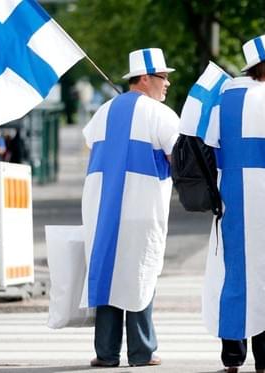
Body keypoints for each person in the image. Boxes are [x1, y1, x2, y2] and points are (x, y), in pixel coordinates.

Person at [201, 34, 265, 373]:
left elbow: (211, 150)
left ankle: (231, 358)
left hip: (229, 192)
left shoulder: (220, 100)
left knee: (233, 271)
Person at [80, 48, 179, 367]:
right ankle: (142, 351)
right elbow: (177, 159)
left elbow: (89, 146)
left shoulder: (103, 111)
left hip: (102, 205)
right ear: (146, 78)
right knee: (140, 273)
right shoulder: (162, 114)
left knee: (108, 273)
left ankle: (105, 353)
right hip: (141, 204)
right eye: (164, 77)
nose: (168, 84)